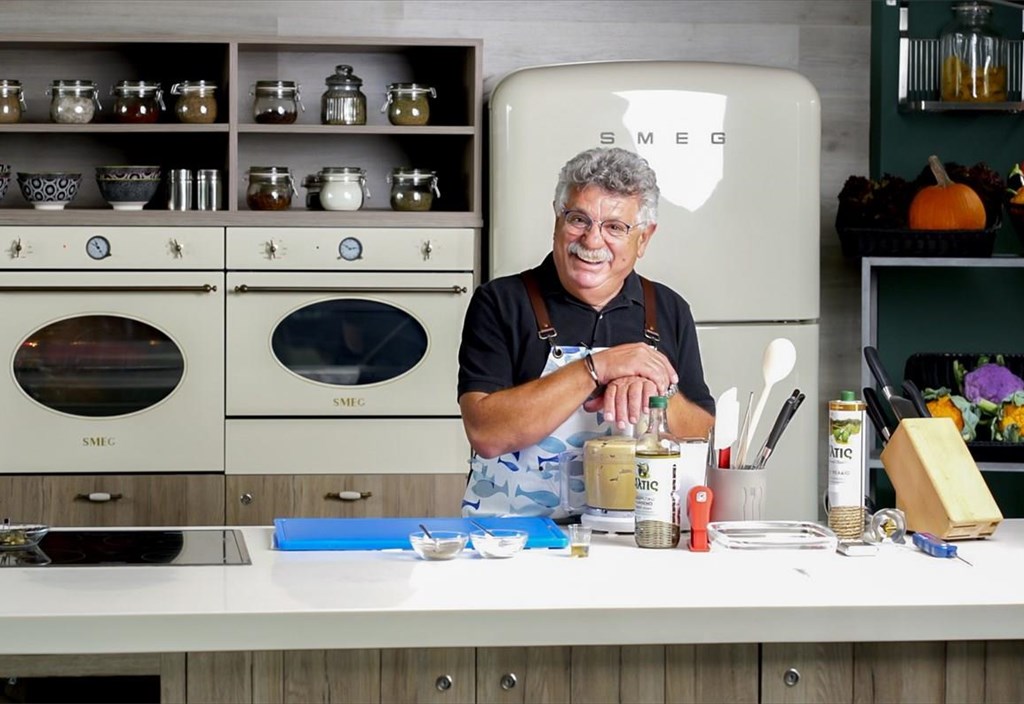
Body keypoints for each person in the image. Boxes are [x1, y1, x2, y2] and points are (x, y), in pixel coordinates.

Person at [458, 146, 715, 517]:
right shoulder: (501, 302)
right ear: (557, 219)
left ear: (644, 238)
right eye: (579, 220)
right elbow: (486, 434)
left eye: (615, 227)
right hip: (511, 538)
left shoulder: (669, 309)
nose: (592, 241)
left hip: (633, 537)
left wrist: (657, 392)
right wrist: (598, 368)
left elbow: (704, 439)